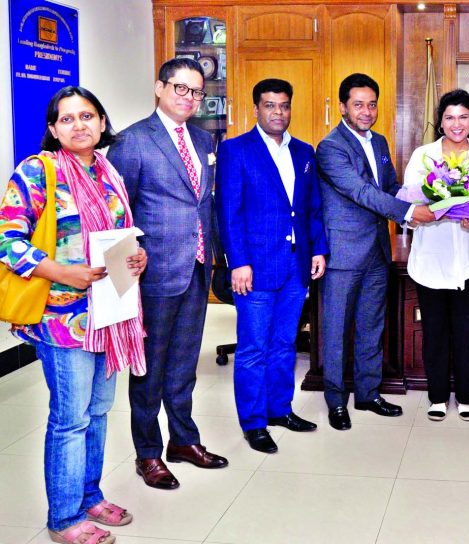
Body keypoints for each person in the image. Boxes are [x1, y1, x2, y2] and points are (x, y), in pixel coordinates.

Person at [0, 86, 147, 544]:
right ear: (53, 129)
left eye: (87, 116)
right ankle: (64, 518)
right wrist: (63, 271)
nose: (79, 125)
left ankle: (89, 495)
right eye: (67, 119)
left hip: (110, 314)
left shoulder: (108, 173)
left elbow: (118, 235)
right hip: (62, 320)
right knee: (70, 419)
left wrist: (135, 256)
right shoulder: (37, 171)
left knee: (98, 413)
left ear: (102, 123)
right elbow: (7, 241)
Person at [108, 57, 228, 490]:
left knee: (184, 362)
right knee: (149, 368)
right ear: (159, 88)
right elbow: (117, 212)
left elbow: (204, 203)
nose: (189, 98)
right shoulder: (133, 141)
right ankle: (147, 453)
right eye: (181, 88)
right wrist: (129, 262)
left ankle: (183, 440)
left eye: (197, 92)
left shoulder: (201, 139)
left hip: (196, 265)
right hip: (153, 270)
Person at [316, 73, 436, 431]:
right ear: (342, 107)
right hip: (343, 253)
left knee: (371, 326)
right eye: (358, 105)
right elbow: (361, 192)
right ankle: (336, 400)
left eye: (371, 104)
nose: (366, 112)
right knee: (336, 331)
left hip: (376, 252)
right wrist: (411, 213)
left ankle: (368, 393)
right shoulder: (331, 147)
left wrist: (436, 196)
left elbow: (391, 187)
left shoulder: (380, 142)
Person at [216, 78, 329, 453]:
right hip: (255, 268)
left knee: (284, 343)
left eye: (283, 105)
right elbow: (228, 213)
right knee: (253, 348)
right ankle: (253, 421)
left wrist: (318, 250)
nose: (278, 112)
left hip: (296, 266)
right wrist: (238, 262)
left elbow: (312, 209)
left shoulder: (304, 152)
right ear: (256, 109)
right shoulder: (236, 150)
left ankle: (280, 409)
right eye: (269, 105)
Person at [402, 89, 469, 421]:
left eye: (464, 117)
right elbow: (410, 204)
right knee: (435, 331)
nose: (457, 124)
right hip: (431, 260)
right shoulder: (423, 156)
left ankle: (465, 396)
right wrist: (432, 210)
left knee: (467, 332)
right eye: (450, 117)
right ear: (440, 121)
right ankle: (437, 396)